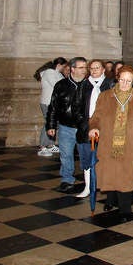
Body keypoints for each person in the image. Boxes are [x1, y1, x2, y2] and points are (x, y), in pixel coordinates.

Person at [88, 66, 133, 219]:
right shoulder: (105, 96)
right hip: (108, 142)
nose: (124, 84)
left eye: (128, 81)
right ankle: (110, 200)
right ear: (117, 78)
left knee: (126, 175)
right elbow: (95, 117)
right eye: (122, 80)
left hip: (130, 143)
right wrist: (94, 128)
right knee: (109, 172)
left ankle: (125, 207)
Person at [45, 57, 90, 194]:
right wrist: (51, 125)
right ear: (72, 69)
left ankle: (89, 180)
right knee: (66, 154)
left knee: (85, 155)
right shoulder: (61, 85)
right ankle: (67, 180)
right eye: (81, 68)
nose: (84, 70)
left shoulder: (89, 85)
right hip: (66, 126)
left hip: (83, 127)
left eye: (85, 67)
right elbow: (53, 107)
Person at [77, 59, 115, 198]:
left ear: (103, 69)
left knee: (104, 157)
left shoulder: (110, 84)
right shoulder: (84, 85)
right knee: (87, 157)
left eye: (97, 68)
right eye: (91, 68)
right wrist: (83, 122)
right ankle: (88, 186)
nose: (94, 71)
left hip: (105, 127)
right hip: (87, 126)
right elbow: (78, 105)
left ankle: (106, 186)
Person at [38, 57, 67, 157]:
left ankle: (50, 144)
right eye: (64, 66)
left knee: (55, 124)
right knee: (49, 123)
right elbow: (57, 86)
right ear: (59, 65)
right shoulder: (49, 73)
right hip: (47, 102)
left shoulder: (57, 73)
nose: (64, 69)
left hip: (55, 103)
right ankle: (42, 146)